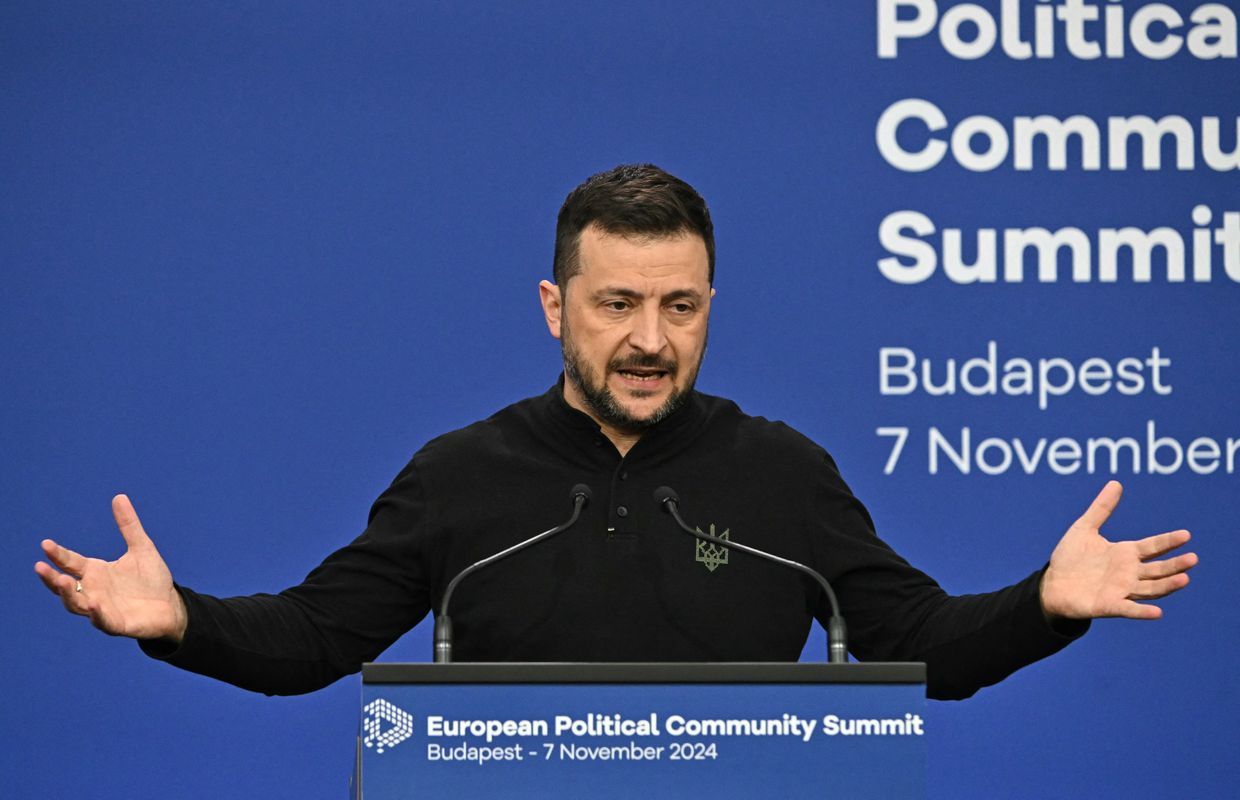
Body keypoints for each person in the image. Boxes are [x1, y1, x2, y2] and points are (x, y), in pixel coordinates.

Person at [34, 164, 1197, 700]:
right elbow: (316, 635)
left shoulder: (782, 473)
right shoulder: (459, 475)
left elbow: (914, 645)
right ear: (556, 308)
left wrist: (1045, 601)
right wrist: (180, 619)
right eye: (617, 303)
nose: (650, 337)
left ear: (706, 309)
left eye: (679, 306)